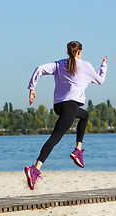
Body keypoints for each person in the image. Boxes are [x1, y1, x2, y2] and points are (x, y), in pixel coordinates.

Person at [25, 41, 107, 190]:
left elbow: (39, 69)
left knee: (84, 115)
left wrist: (32, 88)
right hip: (70, 107)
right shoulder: (85, 65)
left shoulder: (59, 64)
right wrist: (103, 66)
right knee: (54, 138)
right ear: (79, 52)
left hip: (59, 107)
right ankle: (35, 169)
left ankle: (78, 150)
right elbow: (100, 80)